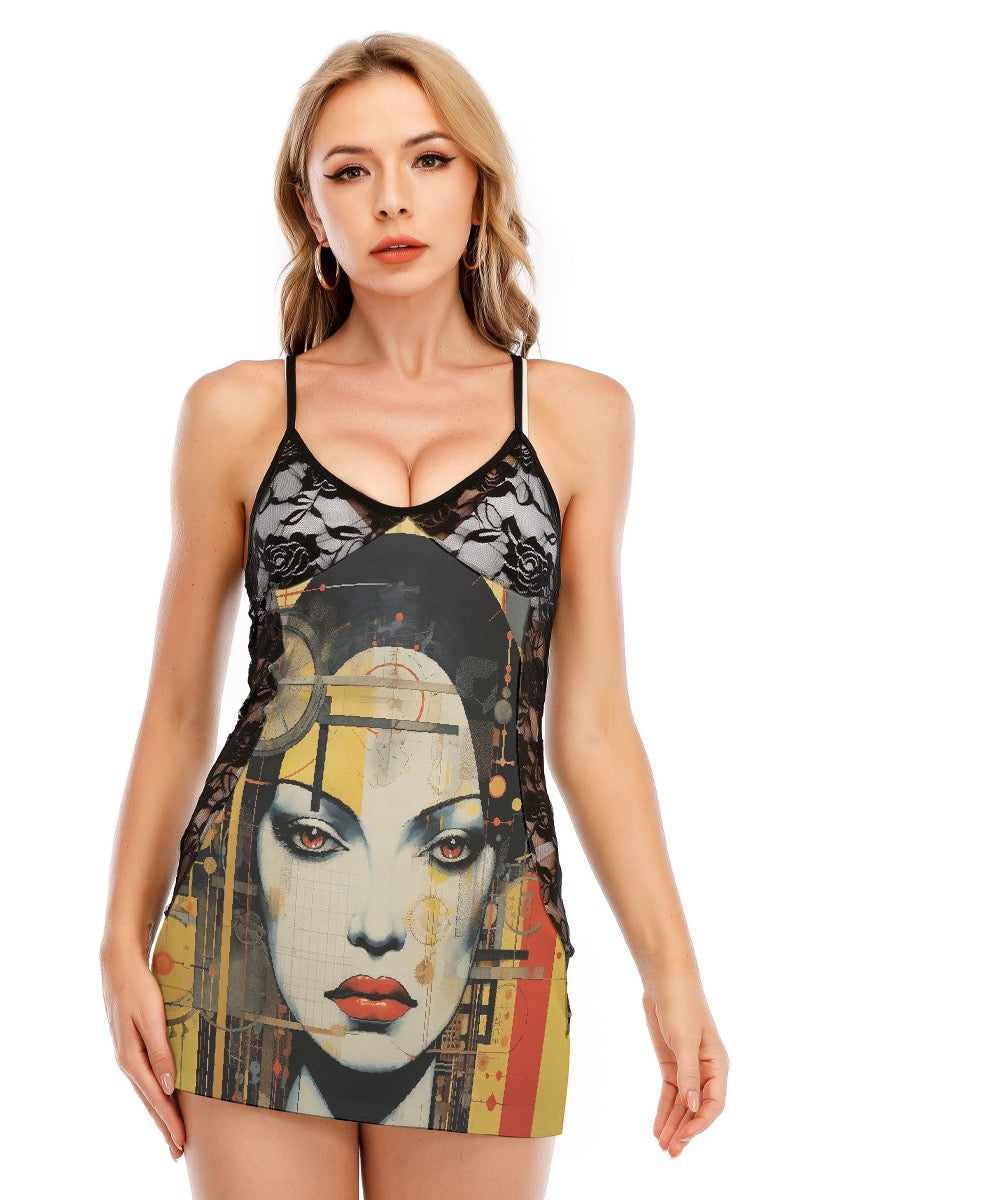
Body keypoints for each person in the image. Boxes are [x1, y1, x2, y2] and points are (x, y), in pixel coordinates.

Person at [100, 30, 728, 1200]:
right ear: (311, 206)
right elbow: (179, 710)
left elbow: (592, 728)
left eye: (428, 159)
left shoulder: (579, 418)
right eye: (350, 170)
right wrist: (119, 938)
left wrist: (672, 970)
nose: (391, 198)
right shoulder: (238, 412)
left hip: (489, 932)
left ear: (479, 184)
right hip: (248, 930)